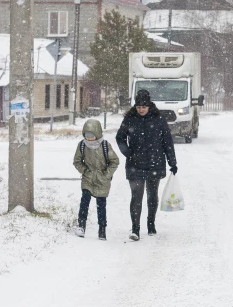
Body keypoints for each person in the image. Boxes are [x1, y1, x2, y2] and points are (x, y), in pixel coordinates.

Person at [116, 89, 177, 241]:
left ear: (149, 105)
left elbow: (167, 142)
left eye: (144, 107)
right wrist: (128, 153)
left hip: (154, 163)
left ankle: (151, 223)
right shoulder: (130, 119)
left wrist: (172, 162)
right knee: (136, 196)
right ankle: (135, 228)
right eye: (138, 107)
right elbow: (120, 138)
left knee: (152, 196)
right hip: (135, 164)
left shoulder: (158, 119)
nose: (141, 110)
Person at [73, 119, 120, 240]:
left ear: (97, 134)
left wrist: (107, 174)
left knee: (101, 205)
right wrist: (85, 171)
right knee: (85, 201)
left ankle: (102, 229)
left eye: (92, 135)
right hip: (88, 178)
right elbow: (77, 161)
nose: (89, 138)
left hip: (102, 180)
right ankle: (81, 225)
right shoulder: (82, 145)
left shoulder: (105, 145)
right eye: (87, 135)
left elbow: (114, 161)